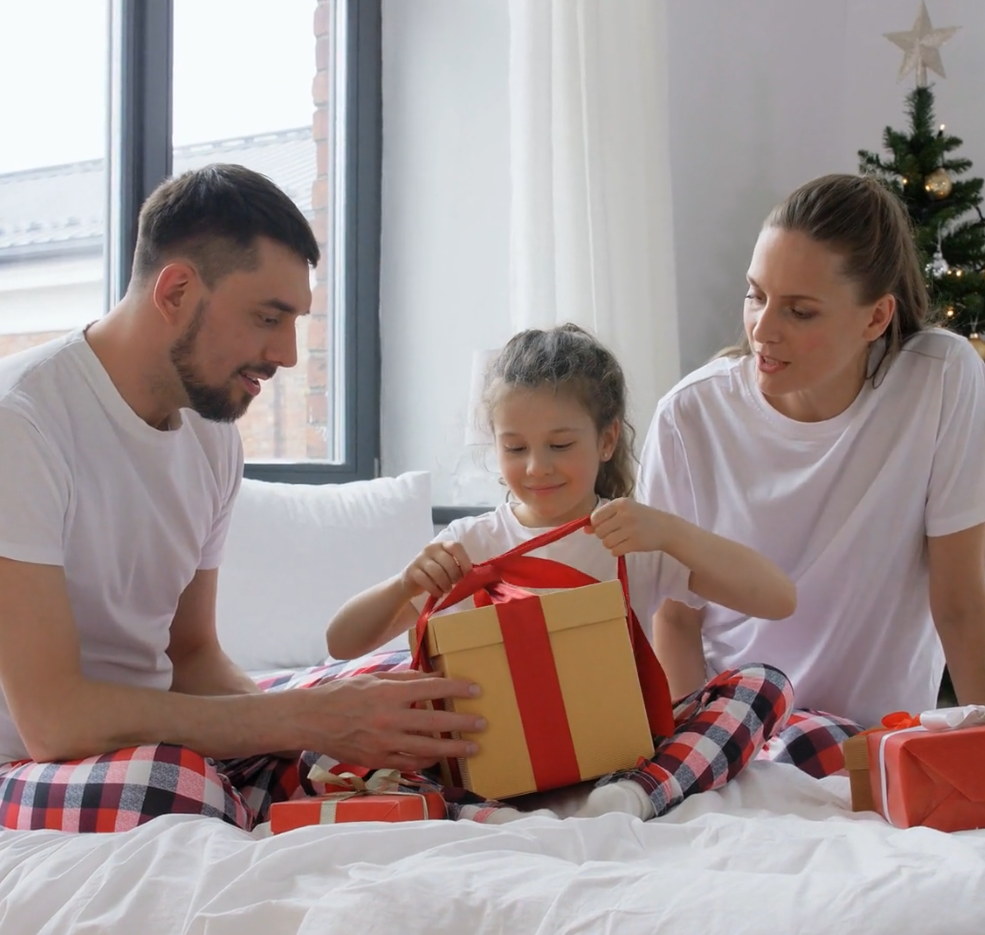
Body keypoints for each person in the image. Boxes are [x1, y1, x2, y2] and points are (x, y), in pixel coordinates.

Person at [0, 165, 487, 833]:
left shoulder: (210, 438)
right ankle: (273, 804)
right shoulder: (5, 422)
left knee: (406, 684)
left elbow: (191, 655)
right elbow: (53, 721)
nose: (285, 353)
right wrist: (299, 720)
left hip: (154, 748)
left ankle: (324, 793)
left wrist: (330, 727)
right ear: (175, 289)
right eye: (267, 317)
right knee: (173, 787)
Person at [326, 323, 797, 820]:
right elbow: (342, 642)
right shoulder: (471, 542)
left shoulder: (629, 536)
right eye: (514, 448)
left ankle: (641, 792)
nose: (536, 468)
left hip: (617, 751)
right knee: (360, 685)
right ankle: (472, 808)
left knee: (765, 684)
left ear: (607, 439)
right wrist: (405, 583)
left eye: (560, 445)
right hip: (490, 758)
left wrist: (674, 533)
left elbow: (777, 599)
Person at [641, 174, 985, 778]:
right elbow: (676, 619)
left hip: (885, 750)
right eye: (755, 294)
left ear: (877, 317)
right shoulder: (690, 416)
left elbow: (959, 602)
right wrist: (699, 772)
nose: (763, 329)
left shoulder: (942, 379)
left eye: (799, 311)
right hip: (742, 746)